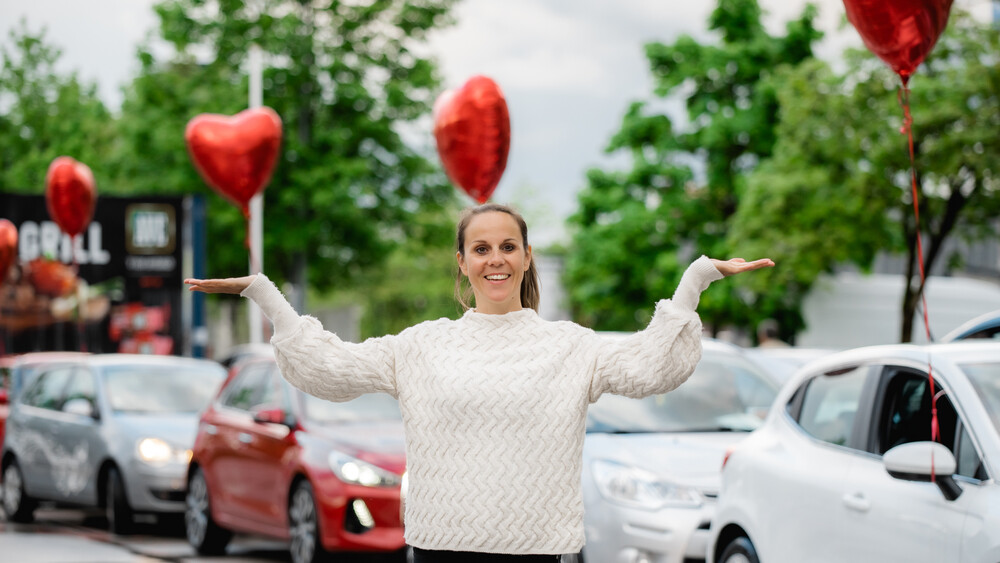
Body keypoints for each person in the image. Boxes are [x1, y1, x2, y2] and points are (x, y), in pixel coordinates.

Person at [185, 202, 774, 562]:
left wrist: (694, 281)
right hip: (442, 548)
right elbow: (329, 370)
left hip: (541, 554)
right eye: (481, 248)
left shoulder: (569, 345)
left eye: (508, 246)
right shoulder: (421, 344)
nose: (496, 258)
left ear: (526, 257)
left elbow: (651, 366)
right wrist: (263, 292)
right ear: (463, 262)